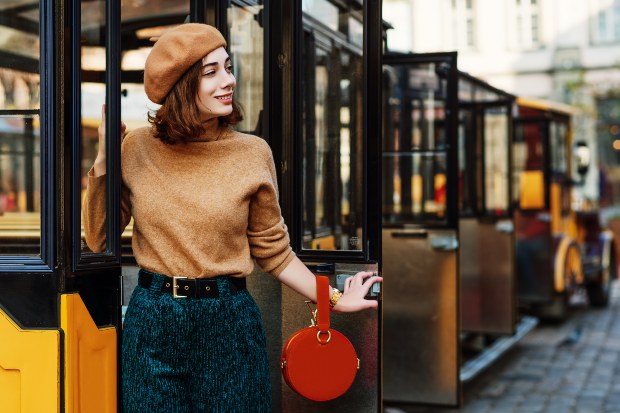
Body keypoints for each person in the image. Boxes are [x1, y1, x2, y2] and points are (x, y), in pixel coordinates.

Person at [82, 23, 381, 413]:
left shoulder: (252, 153)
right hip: (152, 323)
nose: (229, 80)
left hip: (230, 324)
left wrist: (333, 298)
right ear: (180, 85)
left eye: (228, 67)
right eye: (211, 73)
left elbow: (275, 252)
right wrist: (105, 159)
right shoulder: (136, 147)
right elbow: (99, 238)